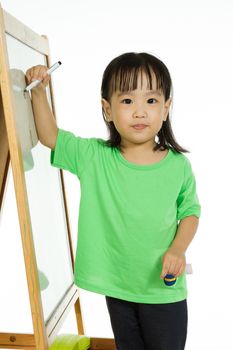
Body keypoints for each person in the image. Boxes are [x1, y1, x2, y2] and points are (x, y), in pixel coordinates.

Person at [26, 52, 201, 350]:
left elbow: (190, 211)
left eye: (151, 100)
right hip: (119, 290)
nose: (140, 112)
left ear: (166, 108)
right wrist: (38, 91)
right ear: (107, 109)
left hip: (163, 291)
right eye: (127, 101)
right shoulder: (95, 157)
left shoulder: (177, 165)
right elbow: (50, 136)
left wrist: (178, 249)